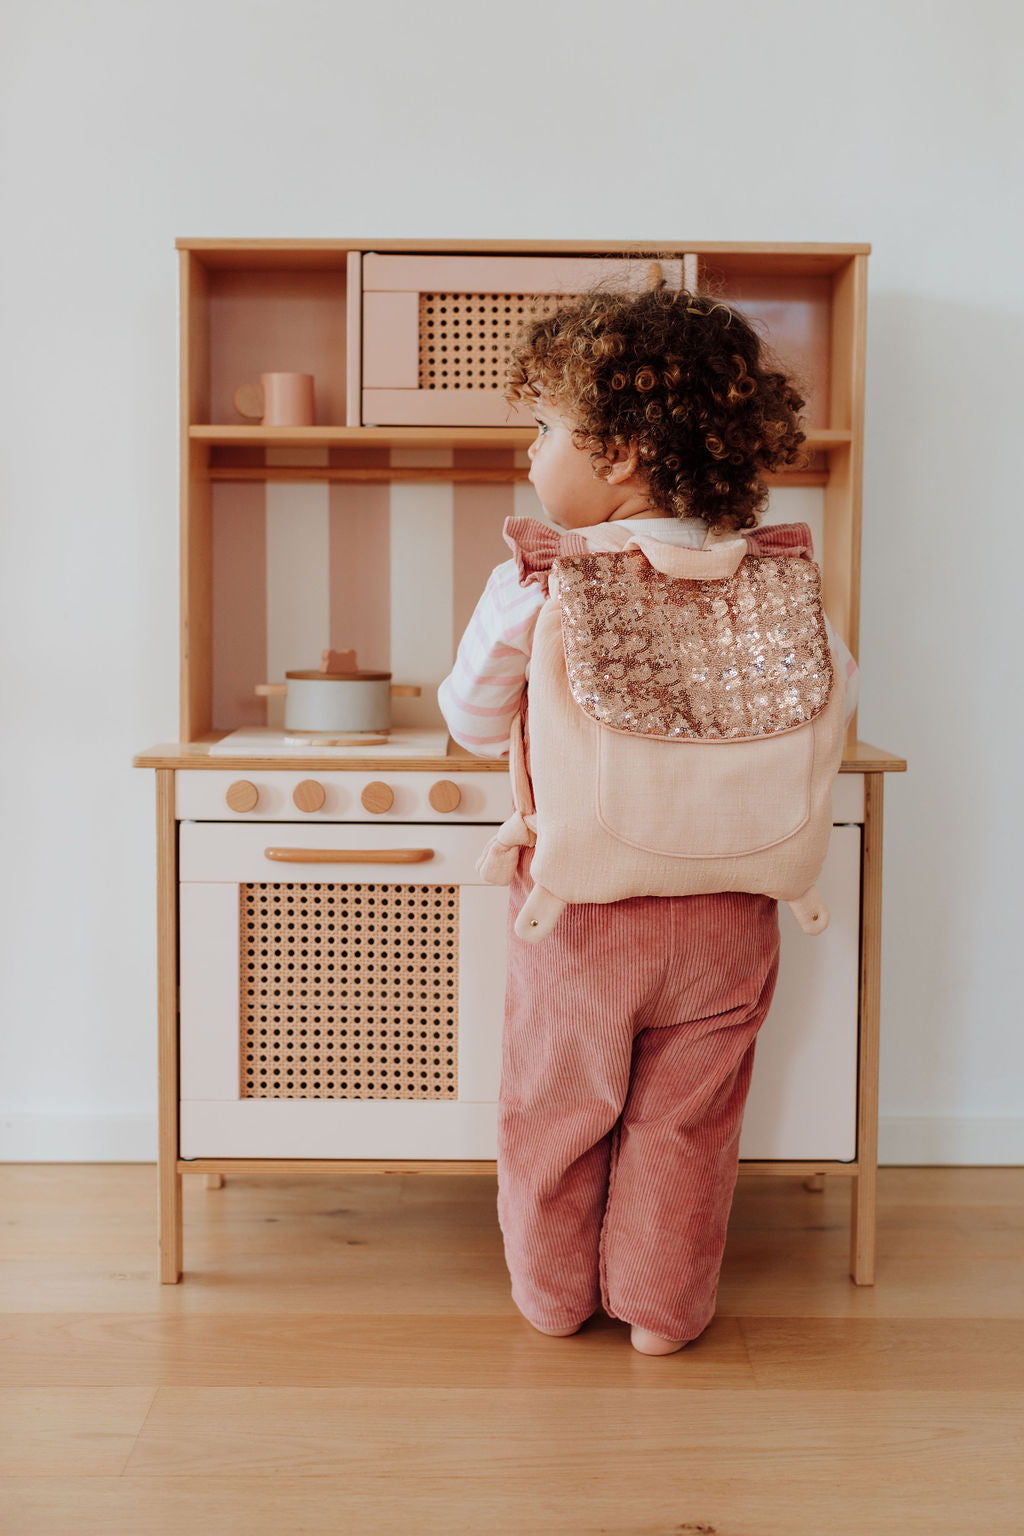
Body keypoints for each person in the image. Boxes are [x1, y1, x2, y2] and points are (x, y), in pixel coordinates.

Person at [437, 283, 860, 1356]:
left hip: (581, 912)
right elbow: (832, 710)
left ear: (617, 452)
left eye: (544, 429)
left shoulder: (541, 581)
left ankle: (553, 1298)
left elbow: (473, 723)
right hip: (736, 912)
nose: (532, 454)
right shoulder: (776, 582)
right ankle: (665, 1315)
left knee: (555, 1112)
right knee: (687, 1124)